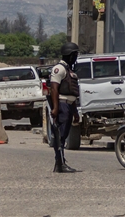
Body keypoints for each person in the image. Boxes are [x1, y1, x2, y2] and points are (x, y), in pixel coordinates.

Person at [49, 42, 81, 173]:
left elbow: (71, 93)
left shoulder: (69, 70)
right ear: (69, 55)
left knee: (64, 135)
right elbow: (54, 89)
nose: (76, 57)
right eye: (74, 55)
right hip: (62, 105)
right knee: (60, 136)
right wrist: (56, 108)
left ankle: (60, 163)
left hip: (68, 105)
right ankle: (60, 163)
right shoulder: (59, 69)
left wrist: (75, 113)